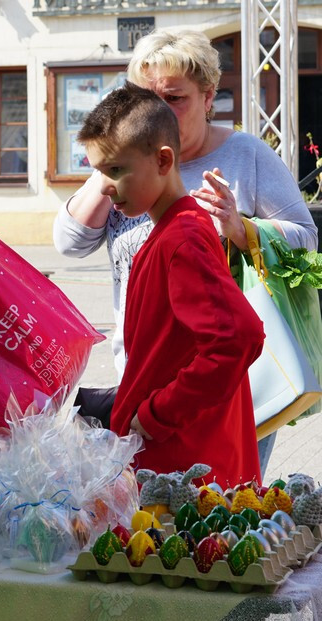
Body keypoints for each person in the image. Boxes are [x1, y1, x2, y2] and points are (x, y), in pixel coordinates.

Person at [53, 29, 316, 470]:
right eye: (145, 98)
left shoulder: (210, 195)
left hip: (204, 399)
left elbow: (239, 335)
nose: (160, 111)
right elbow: (69, 241)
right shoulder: (131, 173)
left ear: (208, 95)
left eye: (174, 98)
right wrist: (112, 162)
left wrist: (241, 228)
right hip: (150, 375)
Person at [79, 82, 264, 487]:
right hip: (175, 463)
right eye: (97, 171)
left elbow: (238, 339)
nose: (105, 186)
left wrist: (155, 414)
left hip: (187, 474)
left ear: (163, 161)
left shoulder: (182, 239)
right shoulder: (170, 232)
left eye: (115, 169)